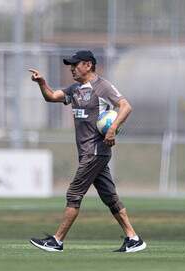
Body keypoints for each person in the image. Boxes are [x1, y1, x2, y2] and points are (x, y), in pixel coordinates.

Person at [28, 50, 146, 253]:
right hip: (87, 152)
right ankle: (133, 238)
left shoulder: (102, 86)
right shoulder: (75, 89)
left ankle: (57, 241)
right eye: (70, 65)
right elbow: (52, 97)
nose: (72, 68)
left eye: (76, 64)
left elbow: (126, 106)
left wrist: (112, 128)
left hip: (95, 151)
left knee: (74, 193)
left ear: (89, 65)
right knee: (109, 197)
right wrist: (41, 83)